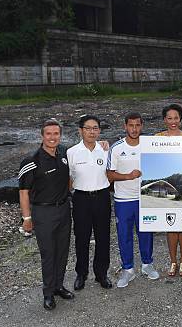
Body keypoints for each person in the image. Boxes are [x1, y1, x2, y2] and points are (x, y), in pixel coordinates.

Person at [18, 118, 74, 310]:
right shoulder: (31, 161)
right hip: (43, 212)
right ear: (42, 136)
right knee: (48, 254)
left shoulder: (65, 154)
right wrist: (27, 218)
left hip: (64, 209)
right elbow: (24, 192)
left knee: (62, 251)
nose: (52, 137)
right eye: (48, 134)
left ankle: (59, 286)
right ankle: (48, 293)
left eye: (56, 133)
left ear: (60, 135)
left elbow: (69, 179)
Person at [106, 112, 160, 288]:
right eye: (131, 125)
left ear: (142, 126)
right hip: (123, 199)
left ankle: (147, 264)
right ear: (125, 126)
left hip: (144, 198)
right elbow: (109, 175)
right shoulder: (116, 148)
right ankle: (128, 269)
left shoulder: (149, 145)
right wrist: (128, 176)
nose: (134, 129)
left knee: (146, 232)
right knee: (124, 235)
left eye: (137, 125)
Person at [67, 114, 112, 290]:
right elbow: (68, 178)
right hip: (81, 199)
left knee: (103, 238)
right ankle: (81, 273)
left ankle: (101, 274)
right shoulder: (71, 152)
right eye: (88, 128)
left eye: (95, 128)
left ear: (99, 131)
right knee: (81, 238)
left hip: (101, 197)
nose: (92, 132)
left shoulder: (106, 149)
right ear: (80, 131)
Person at [155, 104, 182, 277]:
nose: (173, 121)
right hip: (167, 183)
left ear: (180, 119)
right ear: (164, 120)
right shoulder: (156, 138)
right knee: (170, 226)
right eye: (169, 118)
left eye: (176, 118)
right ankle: (173, 262)